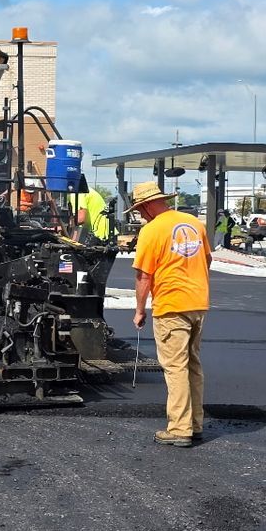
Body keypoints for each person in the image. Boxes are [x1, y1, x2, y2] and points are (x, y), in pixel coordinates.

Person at [130, 180, 211, 446]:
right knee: (193, 365)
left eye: (140, 209)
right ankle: (195, 423)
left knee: (174, 367)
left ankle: (179, 429)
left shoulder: (152, 231)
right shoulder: (194, 223)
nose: (140, 214)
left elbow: (144, 275)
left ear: (149, 205)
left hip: (171, 305)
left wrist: (140, 310)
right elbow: (207, 259)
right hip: (198, 302)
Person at [73, 175, 111, 245]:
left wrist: (63, 224)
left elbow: (80, 219)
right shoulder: (86, 190)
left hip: (99, 237)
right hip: (105, 235)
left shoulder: (79, 193)